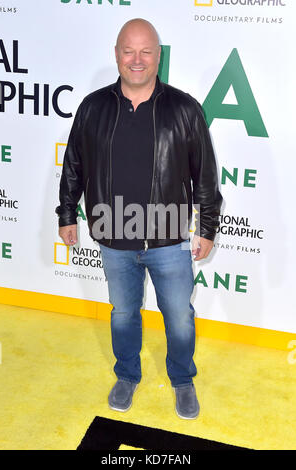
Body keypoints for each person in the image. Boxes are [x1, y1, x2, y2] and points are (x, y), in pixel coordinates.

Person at [56, 18, 223, 420]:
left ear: (158, 57)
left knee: (179, 316)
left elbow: (205, 175)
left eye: (145, 51)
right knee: (124, 314)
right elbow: (73, 164)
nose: (136, 59)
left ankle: (183, 381)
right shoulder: (93, 107)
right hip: (113, 237)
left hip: (168, 240)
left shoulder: (184, 108)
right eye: (128, 51)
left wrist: (207, 227)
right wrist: (67, 212)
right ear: (116, 55)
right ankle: (127, 375)